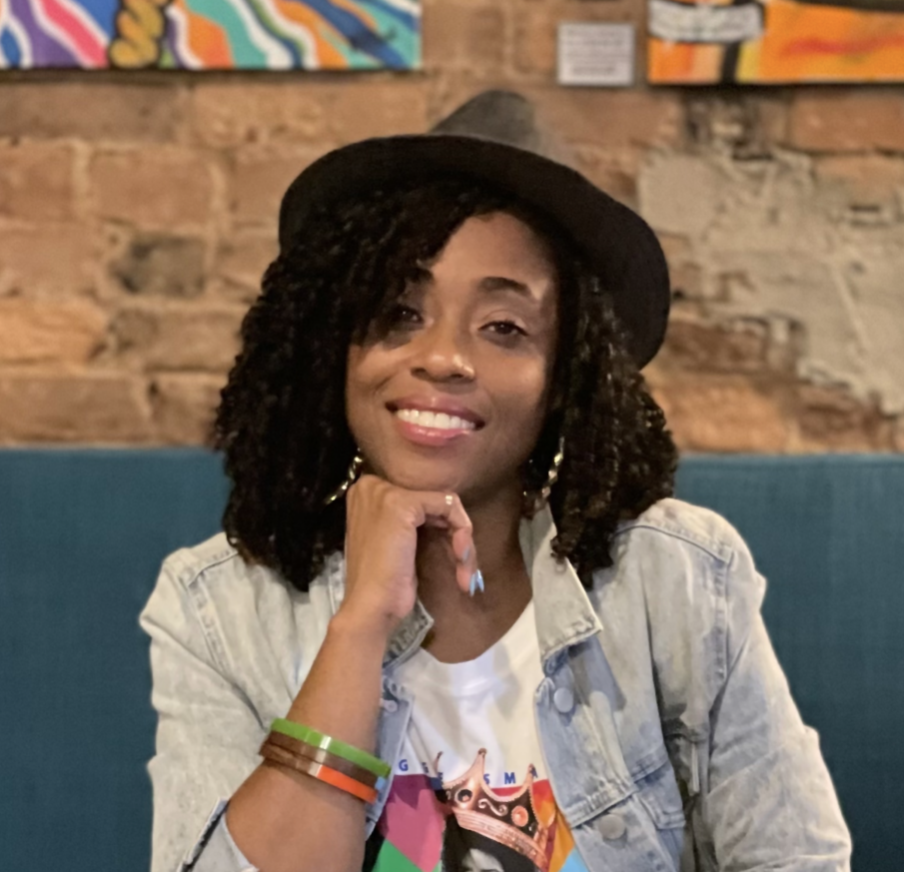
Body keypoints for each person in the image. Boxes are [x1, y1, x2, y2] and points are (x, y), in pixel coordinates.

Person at [139, 90, 851, 872]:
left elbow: (795, 861)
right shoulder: (216, 608)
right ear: (333, 346)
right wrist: (361, 625)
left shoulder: (673, 576)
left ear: (564, 379)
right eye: (400, 312)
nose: (444, 357)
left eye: (504, 328)